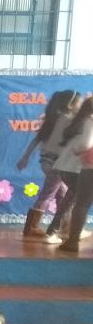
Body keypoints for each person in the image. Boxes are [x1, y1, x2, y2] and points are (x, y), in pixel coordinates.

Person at [16, 90, 80, 238]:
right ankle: (32, 227)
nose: (80, 106)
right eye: (79, 103)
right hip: (56, 165)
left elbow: (37, 140)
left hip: (47, 162)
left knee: (62, 193)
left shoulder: (54, 119)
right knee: (48, 193)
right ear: (70, 105)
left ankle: (64, 227)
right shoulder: (67, 120)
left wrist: (25, 157)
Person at [46, 96, 93, 244]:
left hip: (66, 167)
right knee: (77, 202)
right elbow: (85, 145)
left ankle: (62, 230)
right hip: (77, 168)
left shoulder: (78, 121)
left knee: (72, 200)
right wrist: (80, 151)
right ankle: (57, 231)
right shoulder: (89, 122)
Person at [60, 96, 93, 253]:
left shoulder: (89, 121)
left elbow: (86, 144)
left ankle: (73, 241)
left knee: (81, 204)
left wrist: (76, 150)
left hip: (90, 167)